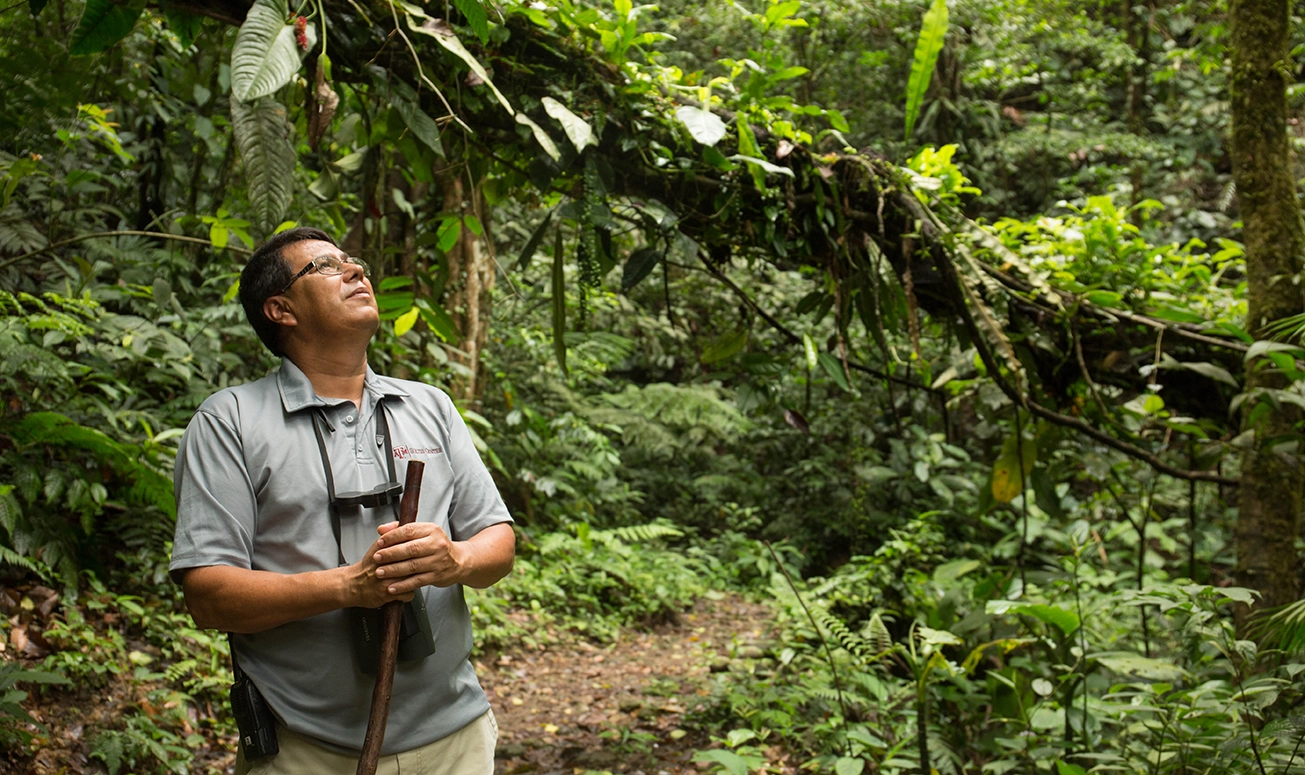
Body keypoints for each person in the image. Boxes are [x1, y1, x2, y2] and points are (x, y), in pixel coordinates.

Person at [169, 227, 515, 775]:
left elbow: (497, 540)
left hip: (456, 740)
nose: (357, 272)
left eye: (353, 262)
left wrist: (457, 560)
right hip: (304, 749)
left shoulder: (430, 407)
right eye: (327, 267)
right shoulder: (230, 421)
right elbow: (210, 597)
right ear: (281, 309)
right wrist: (348, 586)